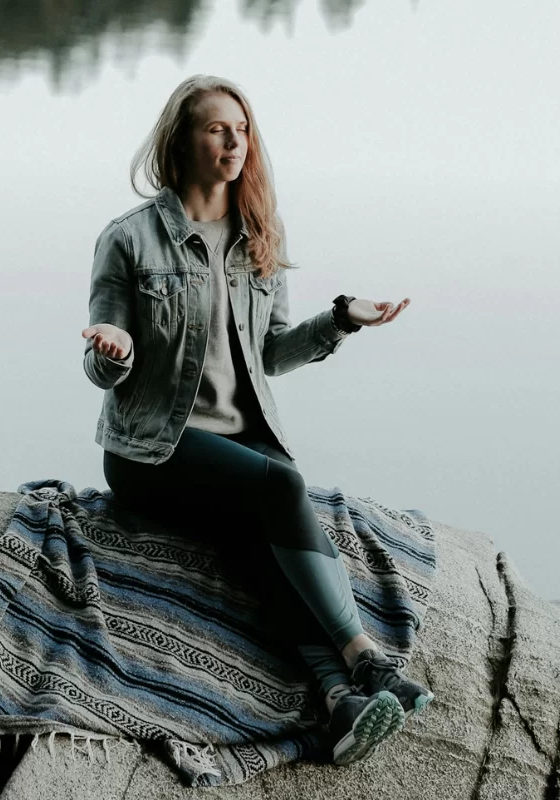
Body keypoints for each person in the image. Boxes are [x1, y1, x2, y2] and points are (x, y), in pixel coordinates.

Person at [81, 74, 433, 766]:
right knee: (282, 489)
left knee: (257, 550)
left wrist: (338, 322)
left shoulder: (257, 237)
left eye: (242, 129)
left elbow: (271, 353)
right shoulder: (128, 240)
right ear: (181, 141)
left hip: (237, 443)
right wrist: (114, 353)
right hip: (152, 450)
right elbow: (100, 359)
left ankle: (339, 705)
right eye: (217, 128)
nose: (234, 141)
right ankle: (365, 658)